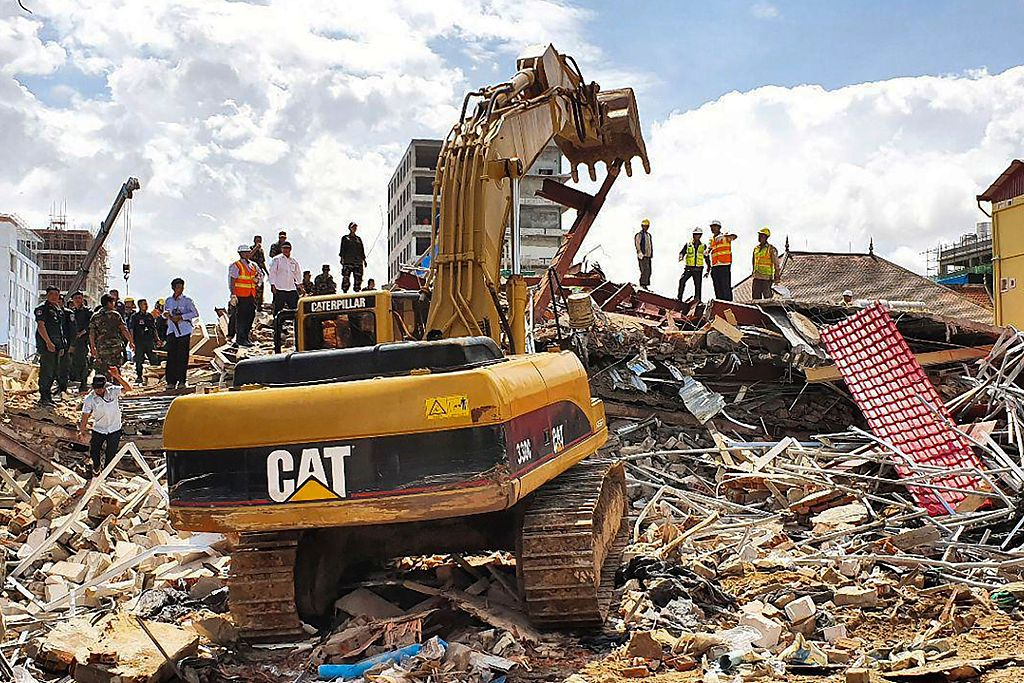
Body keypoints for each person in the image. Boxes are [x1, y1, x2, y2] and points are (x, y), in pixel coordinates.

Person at [77, 369, 131, 476]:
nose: (99, 391)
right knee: (94, 451)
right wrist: (81, 430)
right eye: (97, 389)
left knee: (111, 453)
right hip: (99, 429)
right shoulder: (90, 399)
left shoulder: (113, 391)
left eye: (101, 388)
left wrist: (117, 376)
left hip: (114, 428)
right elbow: (85, 416)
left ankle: (107, 472)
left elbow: (128, 389)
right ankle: (96, 467)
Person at [34, 286, 67, 407]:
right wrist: (48, 342)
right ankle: (43, 397)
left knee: (53, 371)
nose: (54, 296)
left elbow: (60, 329)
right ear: (47, 295)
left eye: (56, 294)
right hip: (47, 345)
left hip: (57, 345)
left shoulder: (58, 309)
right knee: (46, 371)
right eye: (52, 294)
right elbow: (41, 326)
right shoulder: (42, 309)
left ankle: (48, 397)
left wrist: (62, 346)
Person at [163, 278, 199, 389]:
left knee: (182, 357)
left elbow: (195, 313)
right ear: (173, 288)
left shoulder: (187, 300)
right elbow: (165, 312)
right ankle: (171, 382)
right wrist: (167, 315)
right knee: (171, 356)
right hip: (172, 331)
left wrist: (181, 317)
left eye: (182, 287)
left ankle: (182, 381)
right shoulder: (169, 300)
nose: (180, 289)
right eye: (178, 287)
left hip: (183, 331)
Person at [90, 294, 134, 375]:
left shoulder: (95, 316)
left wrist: (92, 347)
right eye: (113, 302)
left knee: (102, 369)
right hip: (115, 347)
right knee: (116, 370)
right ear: (109, 303)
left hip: (102, 347)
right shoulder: (115, 315)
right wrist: (131, 341)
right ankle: (116, 385)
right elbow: (124, 329)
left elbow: (92, 333)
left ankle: (102, 385)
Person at [229, 244, 260, 346]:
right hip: (241, 296)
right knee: (241, 318)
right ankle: (240, 339)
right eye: (244, 252)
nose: (247, 254)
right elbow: (232, 281)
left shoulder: (252, 265)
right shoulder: (236, 265)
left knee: (250, 316)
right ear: (240, 254)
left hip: (251, 295)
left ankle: (246, 337)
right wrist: (233, 294)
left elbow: (259, 275)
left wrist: (258, 281)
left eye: (247, 252)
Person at [65, 291, 92, 393]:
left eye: (79, 298)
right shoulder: (71, 312)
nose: (78, 300)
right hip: (72, 340)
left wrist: (81, 333)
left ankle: (83, 383)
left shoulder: (87, 312)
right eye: (76, 298)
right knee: (71, 362)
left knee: (83, 362)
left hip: (82, 341)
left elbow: (90, 325)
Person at [268, 241, 303, 317]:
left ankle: (296, 327)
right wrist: (272, 285)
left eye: (287, 248)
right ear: (281, 249)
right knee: (278, 309)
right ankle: (276, 326)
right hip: (280, 288)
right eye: (284, 248)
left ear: (290, 249)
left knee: (295, 309)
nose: (286, 250)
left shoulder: (293, 261)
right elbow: (272, 272)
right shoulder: (276, 259)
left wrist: (300, 285)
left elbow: (297, 274)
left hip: (291, 288)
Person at [129, 299, 159, 383]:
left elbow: (154, 329)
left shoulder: (149, 316)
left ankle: (156, 376)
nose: (146, 306)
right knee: (139, 360)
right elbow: (131, 329)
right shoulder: (135, 317)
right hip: (139, 342)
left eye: (146, 304)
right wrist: (131, 342)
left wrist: (157, 339)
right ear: (139, 306)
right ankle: (139, 376)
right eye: (144, 304)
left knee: (153, 359)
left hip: (149, 341)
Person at [708, 220, 737, 301]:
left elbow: (734, 236)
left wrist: (725, 236)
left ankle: (728, 304)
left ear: (719, 227)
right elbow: (711, 248)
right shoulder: (712, 240)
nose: (712, 228)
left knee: (725, 287)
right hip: (715, 265)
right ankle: (720, 303)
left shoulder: (725, 236)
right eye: (711, 227)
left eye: (714, 226)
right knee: (717, 288)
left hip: (724, 264)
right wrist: (708, 249)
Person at [677, 228, 707, 303]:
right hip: (689, 268)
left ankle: (698, 300)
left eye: (698, 234)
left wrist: (708, 268)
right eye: (695, 234)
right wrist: (681, 257)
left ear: (700, 236)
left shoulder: (703, 246)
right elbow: (682, 252)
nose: (696, 236)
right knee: (682, 281)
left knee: (698, 285)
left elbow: (706, 257)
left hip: (698, 269)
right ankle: (679, 298)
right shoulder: (688, 245)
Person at [751, 227, 782, 300]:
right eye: (759, 235)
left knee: (767, 298)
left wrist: (776, 277)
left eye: (762, 236)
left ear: (766, 237)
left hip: (766, 278)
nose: (759, 237)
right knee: (755, 298)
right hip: (757, 277)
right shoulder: (756, 249)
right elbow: (753, 262)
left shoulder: (771, 249)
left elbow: (776, 264)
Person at [339, 221, 367, 292]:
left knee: (358, 278)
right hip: (348, 261)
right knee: (346, 278)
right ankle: (345, 290)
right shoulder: (345, 238)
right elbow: (342, 249)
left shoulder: (358, 239)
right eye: (353, 227)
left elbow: (362, 250)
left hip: (358, 262)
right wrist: (342, 259)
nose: (354, 228)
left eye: (355, 227)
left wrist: (364, 260)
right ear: (350, 228)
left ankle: (357, 290)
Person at [250, 235, 269, 310]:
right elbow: (248, 256)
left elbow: (262, 262)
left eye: (260, 240)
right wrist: (256, 248)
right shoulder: (251, 248)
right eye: (257, 240)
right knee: (253, 288)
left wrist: (267, 272)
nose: (259, 242)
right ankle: (252, 304)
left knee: (260, 288)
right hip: (252, 271)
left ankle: (259, 305)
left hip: (260, 272)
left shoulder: (261, 251)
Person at [634, 218, 653, 289]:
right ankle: (642, 284)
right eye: (645, 226)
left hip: (648, 256)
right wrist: (639, 252)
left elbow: (650, 245)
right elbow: (637, 243)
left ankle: (645, 284)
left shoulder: (648, 235)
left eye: (647, 226)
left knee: (649, 271)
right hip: (642, 255)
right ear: (642, 226)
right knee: (644, 270)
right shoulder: (639, 235)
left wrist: (650, 254)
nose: (646, 227)